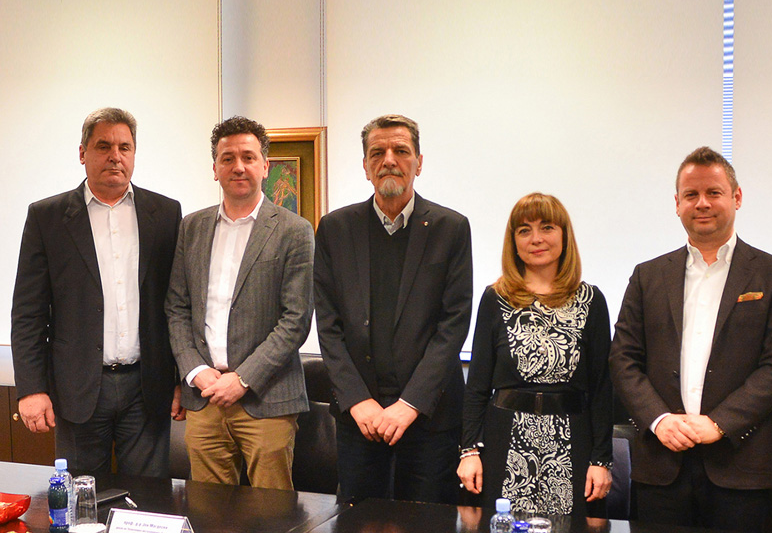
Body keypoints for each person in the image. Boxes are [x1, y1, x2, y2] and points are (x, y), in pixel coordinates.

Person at [609, 146, 772, 531]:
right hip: (661, 464)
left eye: (714, 192)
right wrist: (659, 420)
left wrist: (719, 423)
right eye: (691, 194)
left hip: (741, 465)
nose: (702, 203)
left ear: (737, 197)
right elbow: (623, 359)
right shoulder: (647, 276)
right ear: (677, 204)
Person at [11, 108, 181, 478]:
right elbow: (28, 313)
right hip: (78, 389)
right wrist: (31, 389)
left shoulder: (166, 213)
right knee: (83, 500)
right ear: (82, 153)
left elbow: (178, 305)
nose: (115, 156)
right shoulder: (47, 217)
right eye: (103, 146)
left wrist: (182, 379)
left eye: (124, 147)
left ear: (134, 153)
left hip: (147, 388)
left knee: (150, 500)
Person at [314, 114, 472, 504]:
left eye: (401, 150)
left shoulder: (451, 228)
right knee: (358, 529)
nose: (389, 160)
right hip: (359, 420)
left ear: (419, 162)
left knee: (427, 531)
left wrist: (409, 404)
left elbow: (453, 326)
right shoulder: (335, 228)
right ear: (365, 166)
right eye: (377, 152)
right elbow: (328, 326)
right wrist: (357, 400)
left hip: (430, 419)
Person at [165, 116, 314, 489]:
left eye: (248, 157)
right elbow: (177, 309)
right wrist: (194, 371)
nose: (238, 167)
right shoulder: (191, 228)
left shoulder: (294, 231)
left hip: (267, 401)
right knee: (209, 514)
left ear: (265, 166)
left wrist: (244, 378)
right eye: (227, 158)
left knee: (272, 513)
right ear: (215, 169)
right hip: (205, 398)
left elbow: (295, 320)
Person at [457, 193, 614, 516]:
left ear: (564, 236)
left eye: (547, 227)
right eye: (524, 230)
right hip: (504, 441)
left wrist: (601, 460)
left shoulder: (591, 300)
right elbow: (477, 385)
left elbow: (602, 388)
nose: (536, 238)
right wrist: (469, 451)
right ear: (513, 242)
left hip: (573, 442)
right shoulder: (495, 298)